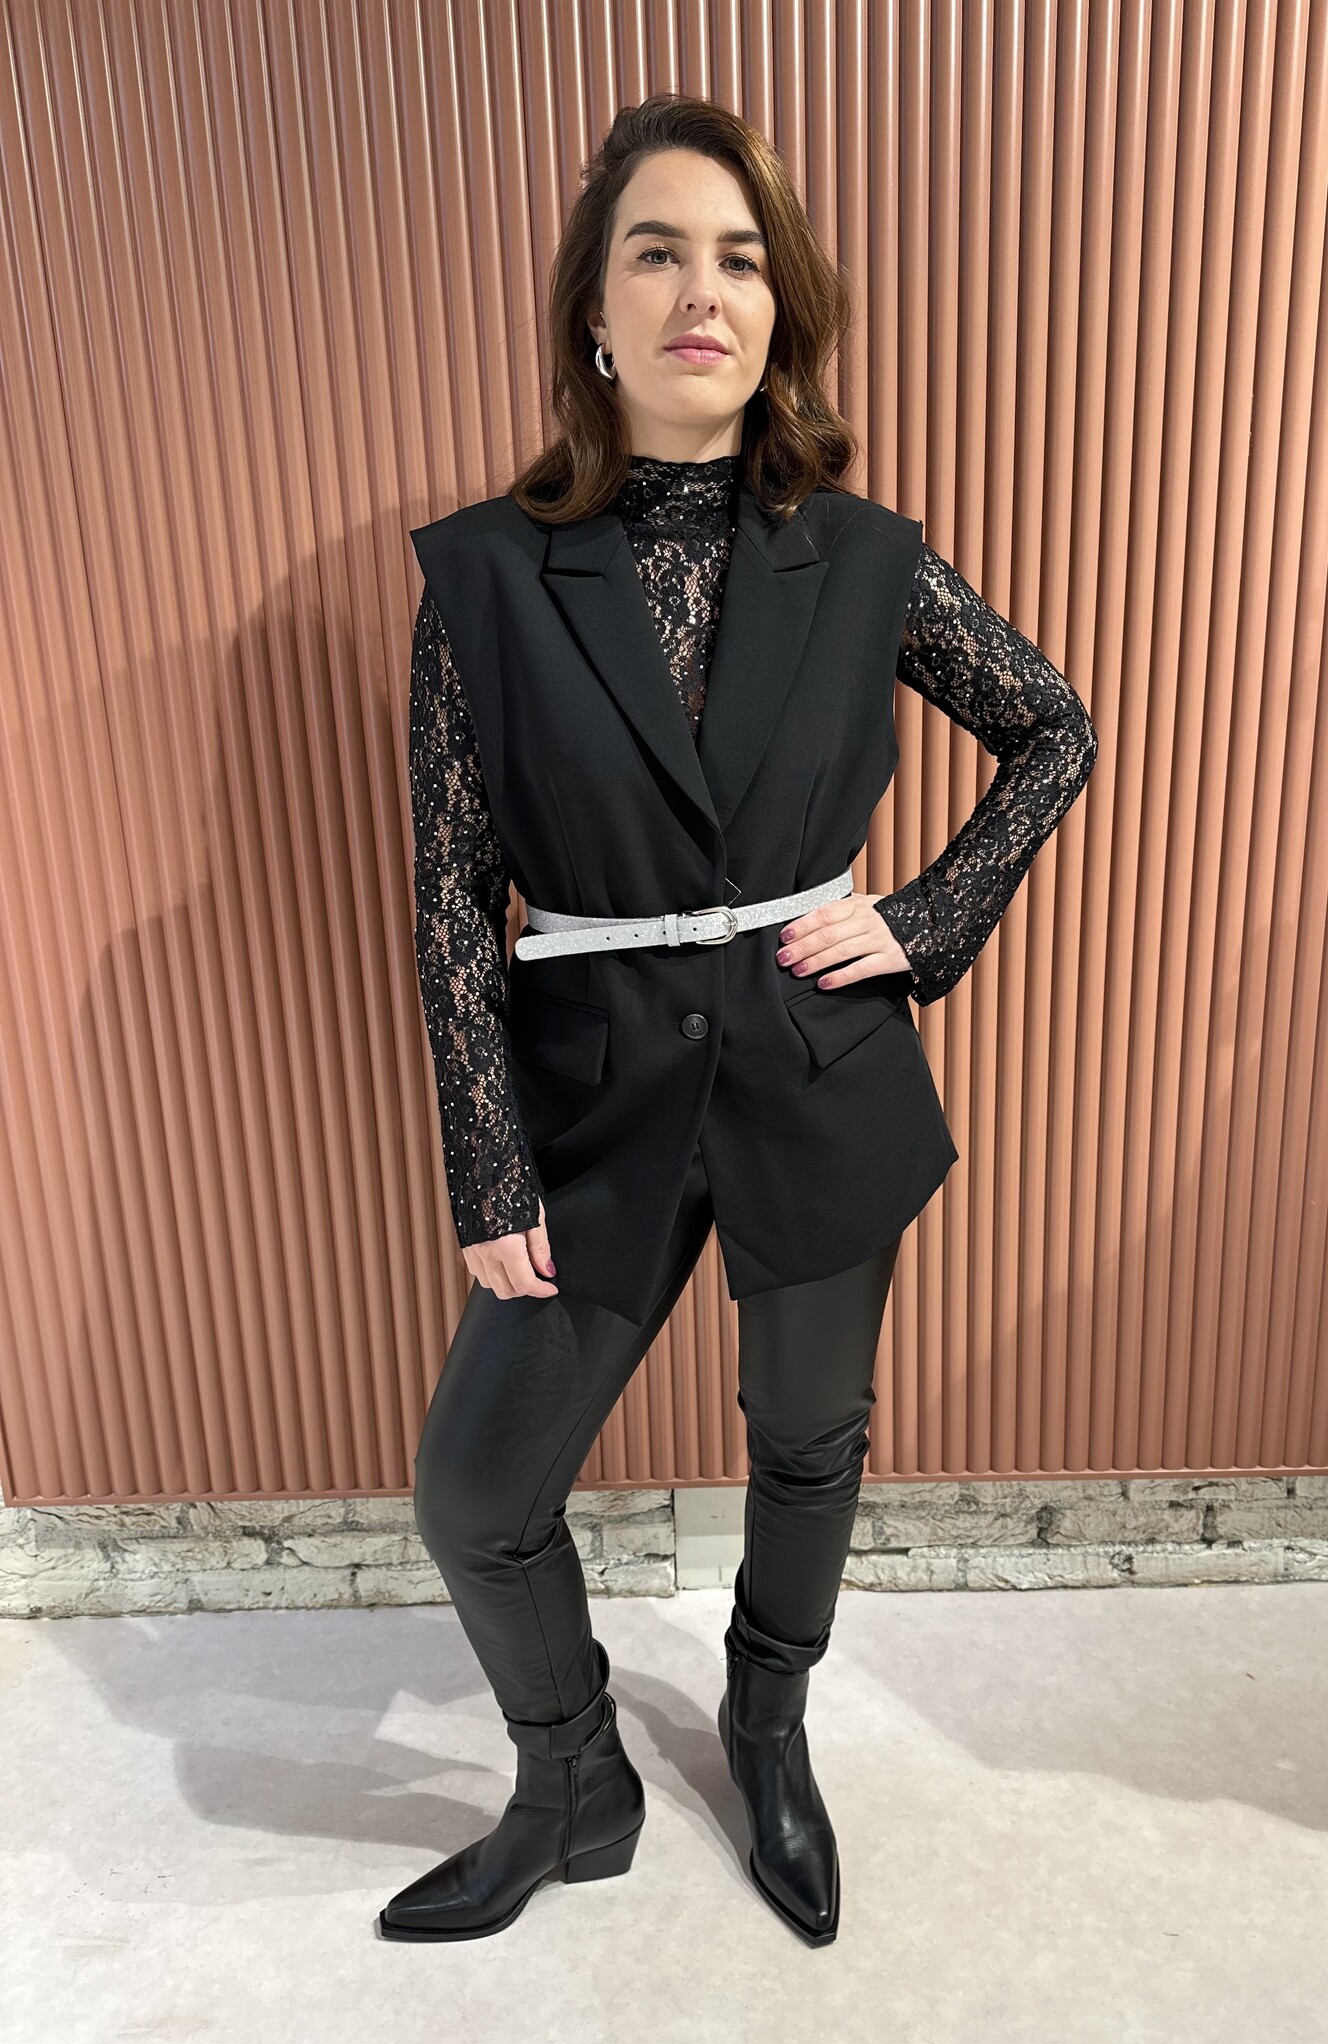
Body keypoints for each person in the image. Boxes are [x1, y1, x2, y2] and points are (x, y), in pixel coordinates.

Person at [378, 93, 1097, 1948]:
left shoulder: (861, 559)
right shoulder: (481, 579)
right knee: (476, 1493)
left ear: (781, 314)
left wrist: (923, 922)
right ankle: (574, 1783)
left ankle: (769, 1729)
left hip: (815, 1071)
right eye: (659, 251)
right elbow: (453, 893)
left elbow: (1054, 729)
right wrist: (487, 1161)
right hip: (596, 1093)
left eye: (743, 259)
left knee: (808, 1435)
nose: (704, 291)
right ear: (594, 311)